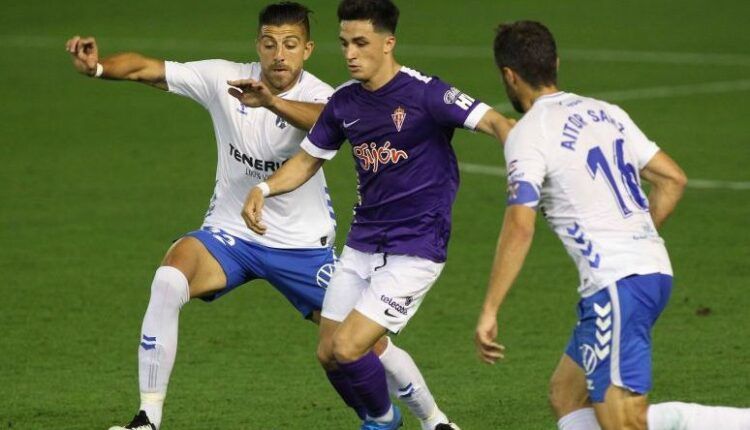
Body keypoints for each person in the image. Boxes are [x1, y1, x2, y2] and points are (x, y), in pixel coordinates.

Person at [66, 3, 457, 430]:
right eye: (270, 44)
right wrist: (99, 67)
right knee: (168, 278)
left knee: (362, 344)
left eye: (290, 45)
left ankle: (434, 419)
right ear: (258, 45)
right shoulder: (225, 79)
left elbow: (328, 121)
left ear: (307, 49)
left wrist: (270, 102)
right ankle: (147, 419)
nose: (279, 55)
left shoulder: (332, 98)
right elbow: (150, 69)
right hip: (231, 236)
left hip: (303, 248)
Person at [241, 1, 515, 428]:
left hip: (416, 246)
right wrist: (263, 188)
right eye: (345, 42)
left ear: (388, 44)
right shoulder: (344, 103)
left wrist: (524, 165)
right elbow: (308, 159)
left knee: (350, 347)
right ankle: (418, 420)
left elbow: (498, 123)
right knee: (328, 352)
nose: (350, 53)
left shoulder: (427, 92)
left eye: (361, 43)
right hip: (362, 244)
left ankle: (383, 422)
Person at [475, 20, 750, 430]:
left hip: (617, 284)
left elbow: (520, 225)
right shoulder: (607, 113)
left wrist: (490, 308)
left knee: (625, 421)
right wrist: (639, 236)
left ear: (509, 76)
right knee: (566, 395)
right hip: (650, 272)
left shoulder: (528, 133)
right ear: (556, 63)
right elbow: (672, 179)